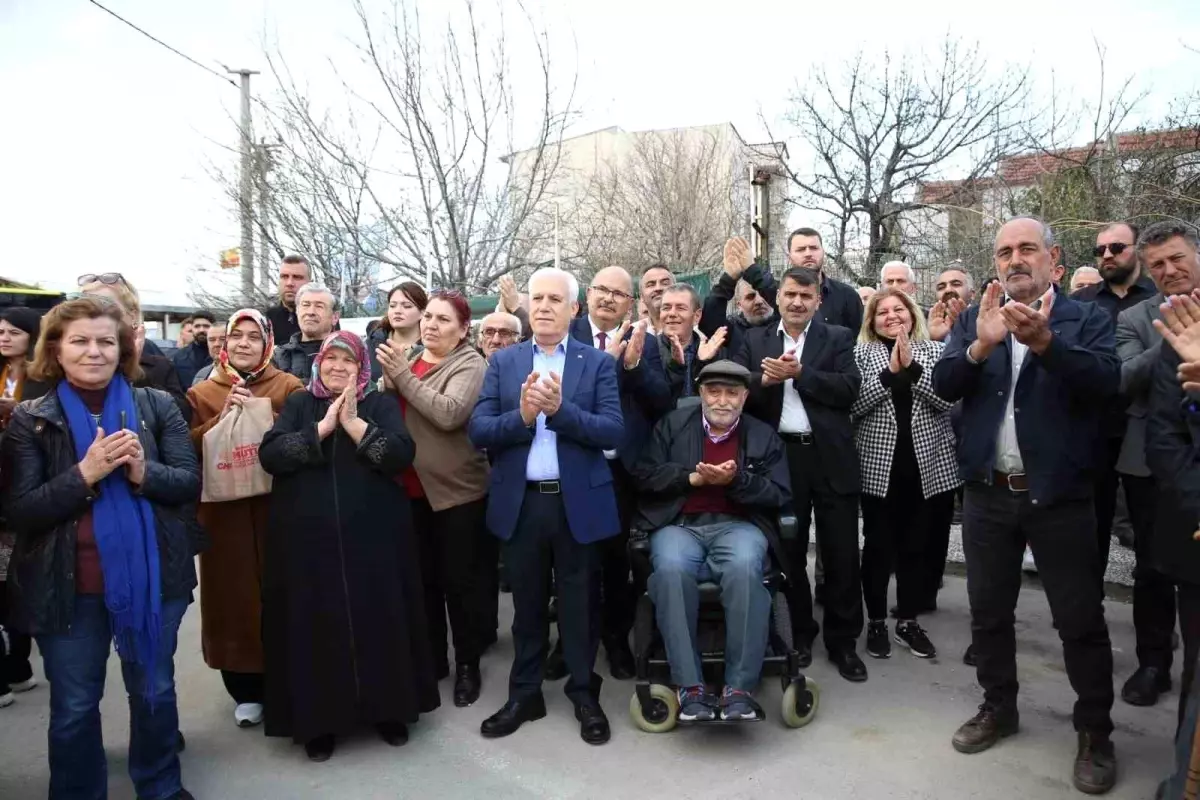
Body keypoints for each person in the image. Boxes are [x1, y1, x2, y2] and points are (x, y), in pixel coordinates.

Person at [933, 216, 1119, 794]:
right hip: (989, 495)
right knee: (988, 613)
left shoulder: (1084, 317)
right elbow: (944, 383)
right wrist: (981, 344)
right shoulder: (974, 315)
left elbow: (1106, 385)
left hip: (1059, 497)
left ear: (1053, 259)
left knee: (1079, 621)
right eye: (1005, 251)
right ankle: (999, 707)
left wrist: (1046, 344)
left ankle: (1094, 731)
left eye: (1027, 249)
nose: (1015, 259)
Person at [1, 297, 200, 800]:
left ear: (123, 348)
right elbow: (20, 511)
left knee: (154, 693)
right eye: (80, 341)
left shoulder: (156, 406)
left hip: (152, 583)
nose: (94, 352)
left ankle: (159, 786)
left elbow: (187, 483)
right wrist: (84, 475)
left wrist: (141, 472)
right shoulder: (32, 419)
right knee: (73, 706)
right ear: (56, 350)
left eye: (106, 341)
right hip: (67, 589)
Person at [259, 330, 439, 762]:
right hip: (310, 548)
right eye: (330, 360)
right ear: (318, 363)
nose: (337, 368)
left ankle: (389, 712)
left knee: (380, 622)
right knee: (315, 630)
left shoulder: (377, 404)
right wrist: (321, 429)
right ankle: (319, 724)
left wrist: (356, 426)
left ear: (362, 368)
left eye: (348, 362)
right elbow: (272, 456)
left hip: (374, 544)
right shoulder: (301, 404)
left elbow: (400, 454)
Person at [468, 267, 624, 745]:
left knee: (578, 605)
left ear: (574, 309)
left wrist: (560, 413)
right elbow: (479, 431)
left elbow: (613, 432)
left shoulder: (595, 363)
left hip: (577, 504)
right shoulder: (504, 363)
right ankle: (525, 693)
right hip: (523, 504)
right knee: (528, 606)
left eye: (555, 299)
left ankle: (583, 693)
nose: (543, 306)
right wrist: (524, 416)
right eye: (537, 298)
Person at [634, 360, 791, 721]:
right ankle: (689, 687)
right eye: (714, 391)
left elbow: (779, 493)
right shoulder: (672, 426)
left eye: (732, 393)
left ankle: (739, 688)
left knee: (744, 567)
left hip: (738, 525)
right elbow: (644, 477)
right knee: (671, 569)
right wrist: (692, 480)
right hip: (680, 524)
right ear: (701, 393)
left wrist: (735, 483)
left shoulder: (762, 435)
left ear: (745, 396)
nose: (722, 400)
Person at [733, 267, 864, 681]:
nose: (796, 302)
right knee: (788, 554)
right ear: (779, 296)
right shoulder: (755, 339)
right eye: (790, 294)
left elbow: (849, 390)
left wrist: (801, 375)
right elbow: (735, 387)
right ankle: (801, 635)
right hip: (779, 461)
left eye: (806, 296)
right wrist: (765, 380)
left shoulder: (838, 338)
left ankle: (843, 644)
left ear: (817, 301)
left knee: (841, 554)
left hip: (829, 459)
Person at [375, 290, 495, 708]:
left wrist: (401, 378)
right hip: (407, 489)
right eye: (428, 317)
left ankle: (467, 665)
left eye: (443, 320)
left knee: (458, 585)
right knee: (421, 583)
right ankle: (432, 661)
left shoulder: (470, 363)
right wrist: (388, 382)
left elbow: (449, 413)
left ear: (463, 329)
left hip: (455, 492)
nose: (430, 325)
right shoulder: (407, 360)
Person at [186, 310, 304, 729]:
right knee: (232, 599)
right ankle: (244, 689)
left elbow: (303, 437)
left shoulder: (288, 387)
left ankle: (285, 680)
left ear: (268, 343)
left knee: (281, 591)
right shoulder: (202, 393)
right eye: (236, 336)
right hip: (225, 516)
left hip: (276, 510)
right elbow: (186, 451)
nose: (244, 344)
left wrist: (270, 421)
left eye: (254, 337)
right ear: (223, 343)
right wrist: (223, 421)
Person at [569, 266, 674, 681]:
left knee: (616, 563)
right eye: (602, 290)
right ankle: (574, 642)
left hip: (623, 470)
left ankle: (615, 640)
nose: (609, 298)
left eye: (619, 293)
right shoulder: (569, 333)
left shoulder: (642, 339)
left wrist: (633, 368)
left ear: (630, 302)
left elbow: (662, 401)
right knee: (575, 562)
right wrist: (607, 364)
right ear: (588, 293)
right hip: (578, 465)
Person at [1113, 221, 1199, 708]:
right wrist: (1172, 339)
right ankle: (1153, 664)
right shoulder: (1137, 318)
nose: (1169, 271)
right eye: (1158, 264)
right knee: (1152, 570)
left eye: (1177, 259)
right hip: (1152, 465)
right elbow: (1124, 378)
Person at [852, 289, 960, 661]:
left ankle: (908, 621)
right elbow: (853, 406)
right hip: (879, 469)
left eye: (899, 309)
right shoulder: (861, 354)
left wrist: (912, 368)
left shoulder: (933, 351)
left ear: (912, 314)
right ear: (872, 321)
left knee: (916, 547)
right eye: (882, 311)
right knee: (879, 548)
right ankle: (878, 621)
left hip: (925, 467)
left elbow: (947, 400)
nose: (891, 316)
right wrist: (890, 374)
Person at [1072, 223, 1160, 581]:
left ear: (1136, 249)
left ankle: (1153, 626)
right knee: (1091, 534)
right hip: (1093, 433)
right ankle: (1087, 618)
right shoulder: (1081, 304)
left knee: (1151, 536)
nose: (1107, 255)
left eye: (1117, 247)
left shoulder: (1160, 298)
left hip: (1148, 432)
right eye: (1100, 250)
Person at [0, 306, 45, 709]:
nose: (4, 337)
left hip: (25, 485)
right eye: (0, 330)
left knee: (14, 576)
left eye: (14, 331)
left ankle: (17, 660)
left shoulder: (42, 380)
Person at [78, 274, 191, 422]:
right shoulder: (69, 358)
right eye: (85, 306)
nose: (93, 315)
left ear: (132, 315)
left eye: (104, 305)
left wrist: (133, 371)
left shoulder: (158, 365)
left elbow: (183, 417)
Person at [699, 237, 779, 356]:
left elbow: (783, 301)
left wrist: (753, 271)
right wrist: (728, 280)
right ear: (739, 305)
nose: (759, 301)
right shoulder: (733, 331)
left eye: (763, 294)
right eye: (750, 297)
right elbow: (709, 322)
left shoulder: (785, 324)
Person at [657, 284, 726, 405]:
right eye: (666, 308)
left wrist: (704, 363)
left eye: (680, 308)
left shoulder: (715, 352)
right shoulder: (649, 349)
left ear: (697, 316)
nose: (672, 313)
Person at [785, 227, 863, 333]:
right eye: (801, 249)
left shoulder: (847, 295)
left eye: (813, 248)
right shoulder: (780, 297)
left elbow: (859, 338)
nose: (808, 253)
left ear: (823, 252)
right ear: (789, 257)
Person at [273, 284, 340, 382]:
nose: (311, 312)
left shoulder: (348, 354)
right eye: (306, 305)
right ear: (297, 311)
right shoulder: (279, 356)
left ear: (335, 317)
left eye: (319, 306)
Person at [368, 282, 427, 382]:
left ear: (422, 312)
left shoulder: (432, 349)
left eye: (407, 306)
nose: (397, 311)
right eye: (392, 305)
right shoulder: (371, 344)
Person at [266, 255, 312, 345]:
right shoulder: (268, 320)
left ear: (309, 283)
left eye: (297, 277)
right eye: (284, 276)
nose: (289, 283)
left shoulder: (323, 318)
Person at [170, 311, 215, 388]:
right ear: (192, 329)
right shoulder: (180, 356)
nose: (201, 330)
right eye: (197, 326)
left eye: (206, 326)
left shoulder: (222, 355)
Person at [640, 264, 676, 334]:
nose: (658, 288)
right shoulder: (631, 334)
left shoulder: (696, 335)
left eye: (665, 283)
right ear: (641, 296)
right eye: (651, 285)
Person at [190, 320, 228, 386]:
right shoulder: (201, 375)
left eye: (222, 339)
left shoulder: (244, 376)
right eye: (212, 340)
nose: (216, 344)